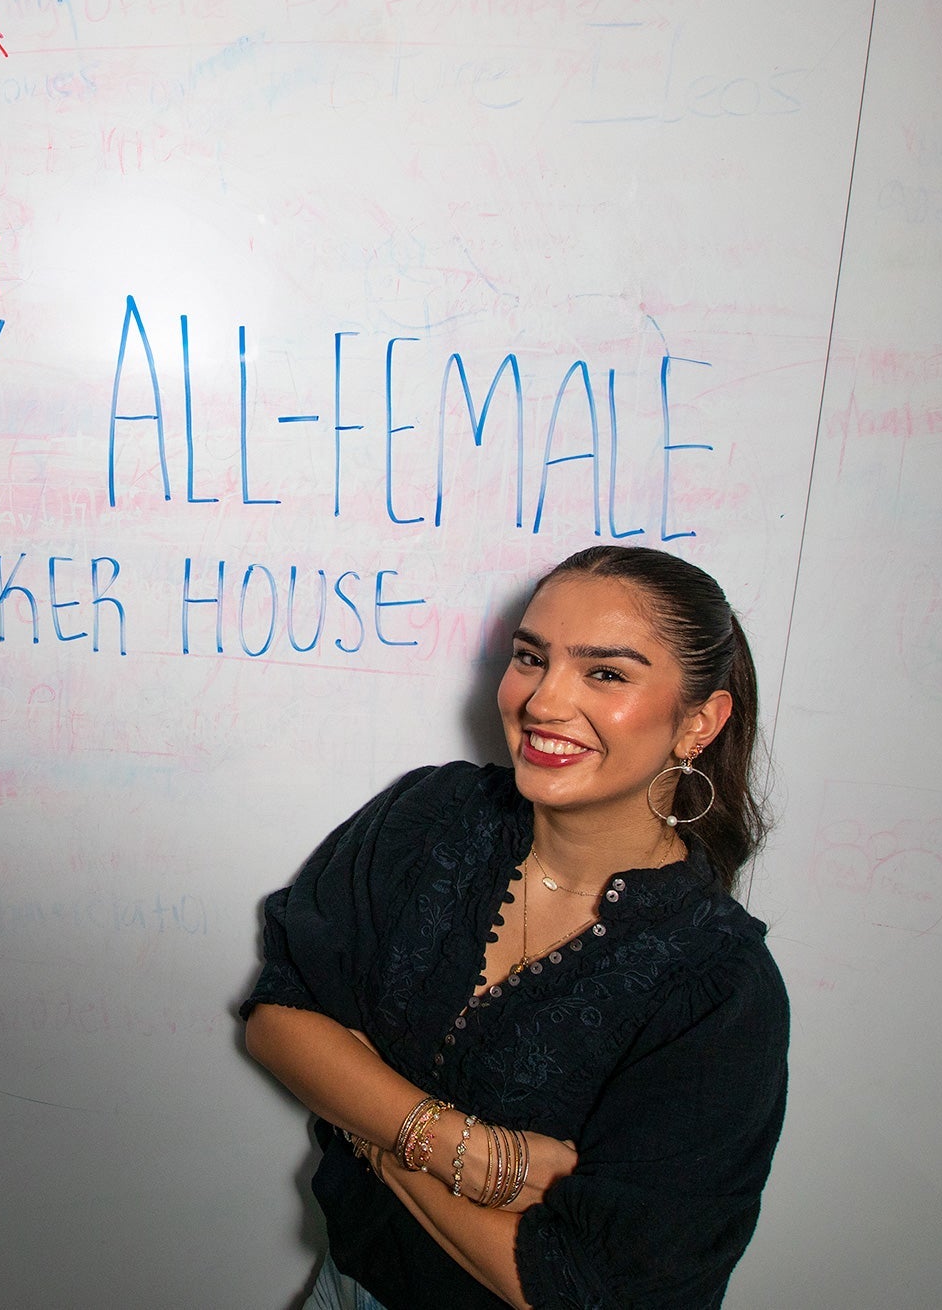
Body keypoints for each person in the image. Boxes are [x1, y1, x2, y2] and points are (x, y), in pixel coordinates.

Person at [243, 545, 789, 1310]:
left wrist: (373, 1130)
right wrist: (472, 1156)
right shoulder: (432, 815)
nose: (542, 701)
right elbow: (278, 1017)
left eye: (606, 673)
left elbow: (594, 1292)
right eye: (531, 657)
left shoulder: (719, 988)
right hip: (343, 1289)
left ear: (699, 722)